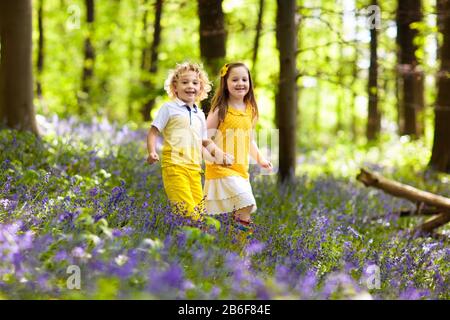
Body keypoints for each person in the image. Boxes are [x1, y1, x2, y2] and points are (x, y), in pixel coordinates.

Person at [147, 61, 233, 222]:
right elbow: (153, 132)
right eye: (184, 82)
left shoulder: (200, 114)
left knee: (199, 214)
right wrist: (152, 151)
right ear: (175, 87)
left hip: (194, 169)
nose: (190, 86)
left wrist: (220, 156)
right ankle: (184, 243)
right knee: (187, 213)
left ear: (201, 88)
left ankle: (190, 245)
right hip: (174, 167)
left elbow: (205, 141)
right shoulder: (169, 108)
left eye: (195, 83)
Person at [204, 62, 272, 234]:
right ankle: (238, 253)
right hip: (221, 168)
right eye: (235, 79)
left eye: (244, 79)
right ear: (225, 84)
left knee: (241, 212)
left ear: (250, 82)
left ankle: (236, 253)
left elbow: (249, 139)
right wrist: (216, 154)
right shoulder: (221, 109)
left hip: (241, 171)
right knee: (247, 204)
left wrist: (260, 159)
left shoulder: (251, 110)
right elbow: (203, 136)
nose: (240, 83)